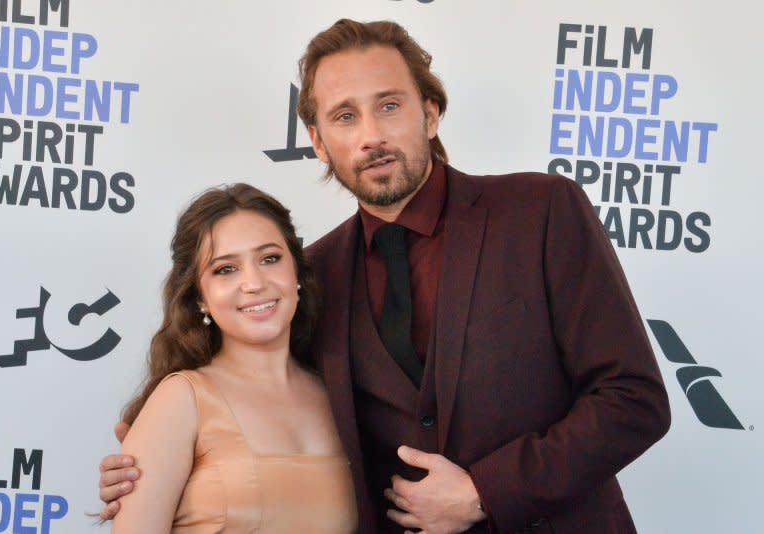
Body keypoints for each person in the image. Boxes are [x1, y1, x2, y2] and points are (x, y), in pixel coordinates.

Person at [99, 19, 670, 534]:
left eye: (389, 106)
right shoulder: (311, 274)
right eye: (345, 116)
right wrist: (156, 460)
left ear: (429, 112)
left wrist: (483, 492)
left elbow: (633, 399)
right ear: (320, 142)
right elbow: (262, 398)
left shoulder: (540, 211)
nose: (371, 136)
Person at [108, 184, 357, 533]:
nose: (254, 283)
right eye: (225, 269)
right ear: (200, 297)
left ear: (296, 273)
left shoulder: (339, 396)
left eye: (270, 259)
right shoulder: (182, 398)